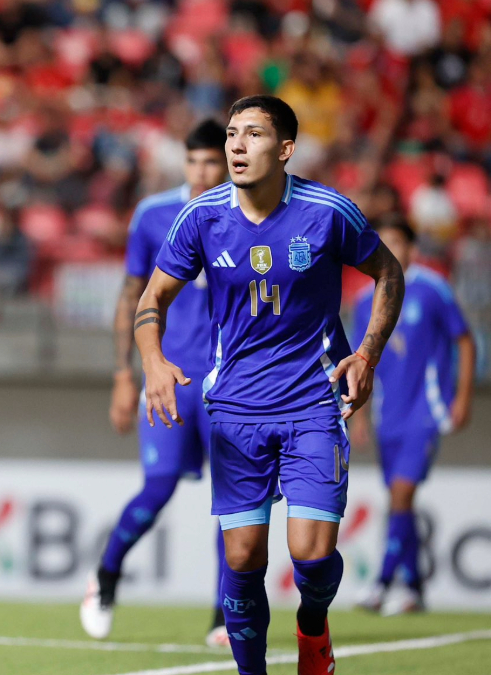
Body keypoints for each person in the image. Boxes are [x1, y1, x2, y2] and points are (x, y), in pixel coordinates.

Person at [137, 95, 405, 675]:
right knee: (242, 558)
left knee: (312, 555)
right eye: (232, 133)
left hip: (313, 402)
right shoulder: (202, 216)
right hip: (235, 408)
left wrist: (367, 354)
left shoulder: (328, 211)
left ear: (285, 150)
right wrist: (153, 361)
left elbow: (388, 271)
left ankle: (313, 627)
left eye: (253, 134)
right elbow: (152, 296)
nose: (236, 144)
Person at [81, 119, 231, 646]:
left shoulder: (247, 216)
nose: (203, 172)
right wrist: (124, 374)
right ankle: (106, 575)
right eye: (195, 161)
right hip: (169, 375)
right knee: (158, 487)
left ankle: (224, 615)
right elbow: (131, 296)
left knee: (233, 502)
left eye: (212, 162)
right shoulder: (154, 214)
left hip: (230, 383)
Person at [352, 217, 475, 616]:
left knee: (402, 495)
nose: (390, 249)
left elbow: (464, 339)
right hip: (387, 414)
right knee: (397, 500)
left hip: (426, 409)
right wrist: (359, 417)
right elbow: (360, 363)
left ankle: (381, 584)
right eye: (382, 242)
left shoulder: (432, 288)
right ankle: (416, 589)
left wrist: (462, 397)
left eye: (396, 242)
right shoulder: (363, 300)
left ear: (411, 248)